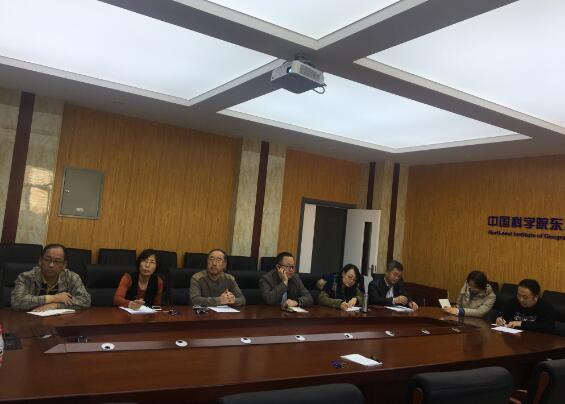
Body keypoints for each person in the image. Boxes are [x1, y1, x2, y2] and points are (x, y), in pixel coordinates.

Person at [11, 243, 91, 311]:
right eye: (47, 260)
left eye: (57, 261)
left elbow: (86, 300)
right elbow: (16, 302)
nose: (51, 265)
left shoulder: (72, 277)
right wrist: (52, 298)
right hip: (29, 320)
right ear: (40, 261)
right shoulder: (26, 277)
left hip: (60, 321)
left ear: (64, 265)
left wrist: (56, 305)